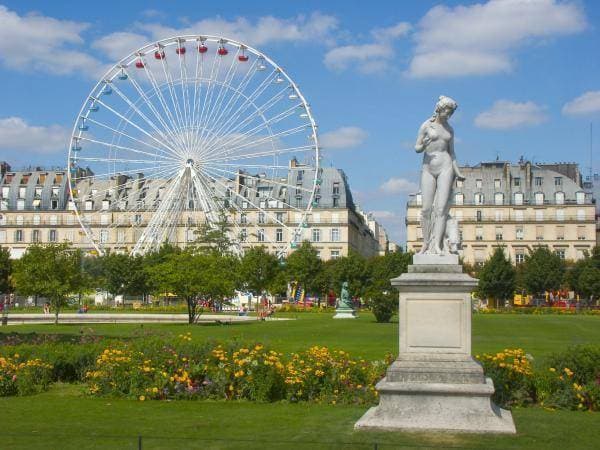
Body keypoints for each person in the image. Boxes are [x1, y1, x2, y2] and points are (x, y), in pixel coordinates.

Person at [414, 95, 464, 255]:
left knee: (441, 209)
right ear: (439, 109)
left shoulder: (450, 129)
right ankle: (425, 244)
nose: (448, 115)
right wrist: (423, 145)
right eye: (447, 112)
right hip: (428, 167)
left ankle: (437, 245)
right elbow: (416, 147)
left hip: (446, 166)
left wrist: (458, 172)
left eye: (451, 113)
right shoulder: (426, 125)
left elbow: (453, 153)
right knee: (426, 209)